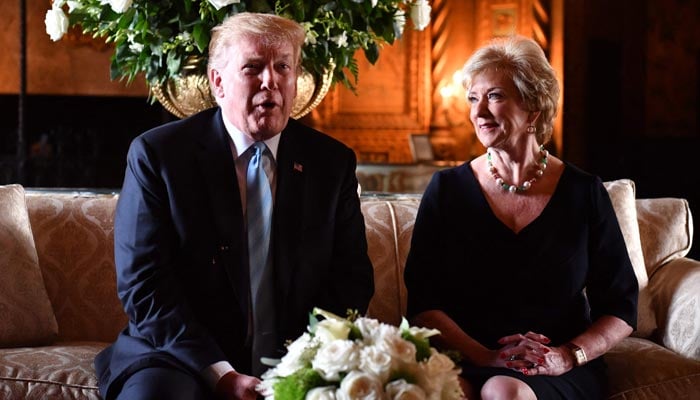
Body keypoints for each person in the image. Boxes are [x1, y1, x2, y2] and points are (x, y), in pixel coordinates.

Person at [94, 12, 374, 400]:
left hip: (299, 355)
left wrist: (306, 363)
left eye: (282, 67)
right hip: (179, 355)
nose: (270, 81)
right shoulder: (159, 156)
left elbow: (351, 281)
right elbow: (145, 286)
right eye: (253, 68)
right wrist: (222, 374)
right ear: (218, 82)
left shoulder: (332, 163)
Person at [404, 36, 638, 400]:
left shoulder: (583, 192)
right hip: (466, 356)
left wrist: (568, 355)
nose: (478, 112)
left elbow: (621, 306)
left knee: (505, 391)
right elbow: (423, 305)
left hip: (554, 365)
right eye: (472, 98)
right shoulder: (447, 190)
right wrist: (487, 356)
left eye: (494, 96)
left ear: (533, 109)